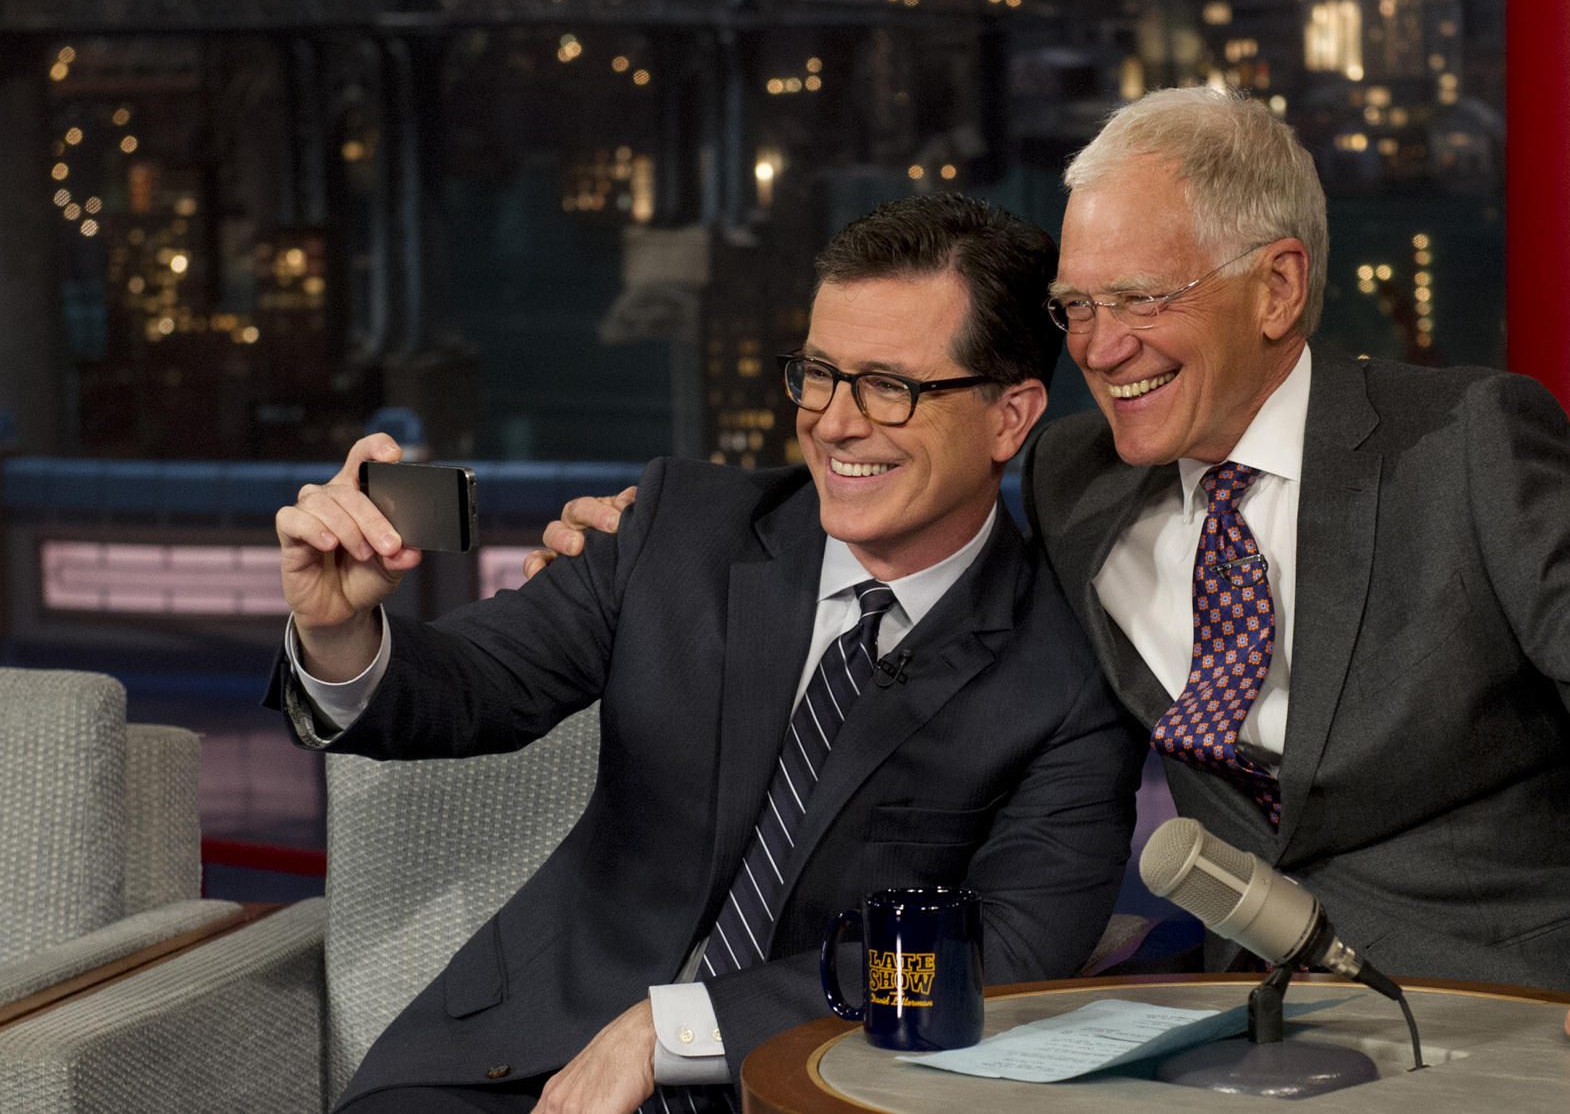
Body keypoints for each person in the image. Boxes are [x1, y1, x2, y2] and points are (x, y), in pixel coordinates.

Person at [544, 89, 1570, 1056]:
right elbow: (917, 536)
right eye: (1075, 306)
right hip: (1234, 1024)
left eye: (1137, 297)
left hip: (1517, 1011)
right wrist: (655, 543)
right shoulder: (1076, 480)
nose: (1099, 347)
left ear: (1276, 287)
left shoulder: (1465, 446)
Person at [268, 193, 1143, 1113]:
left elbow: (1006, 949)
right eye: (817, 373)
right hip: (509, 1066)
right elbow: (475, 685)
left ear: (1011, 416)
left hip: (804, 1081)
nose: (836, 423)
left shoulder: (1070, 668)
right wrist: (337, 628)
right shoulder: (680, 526)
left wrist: (681, 1028)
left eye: (890, 386)